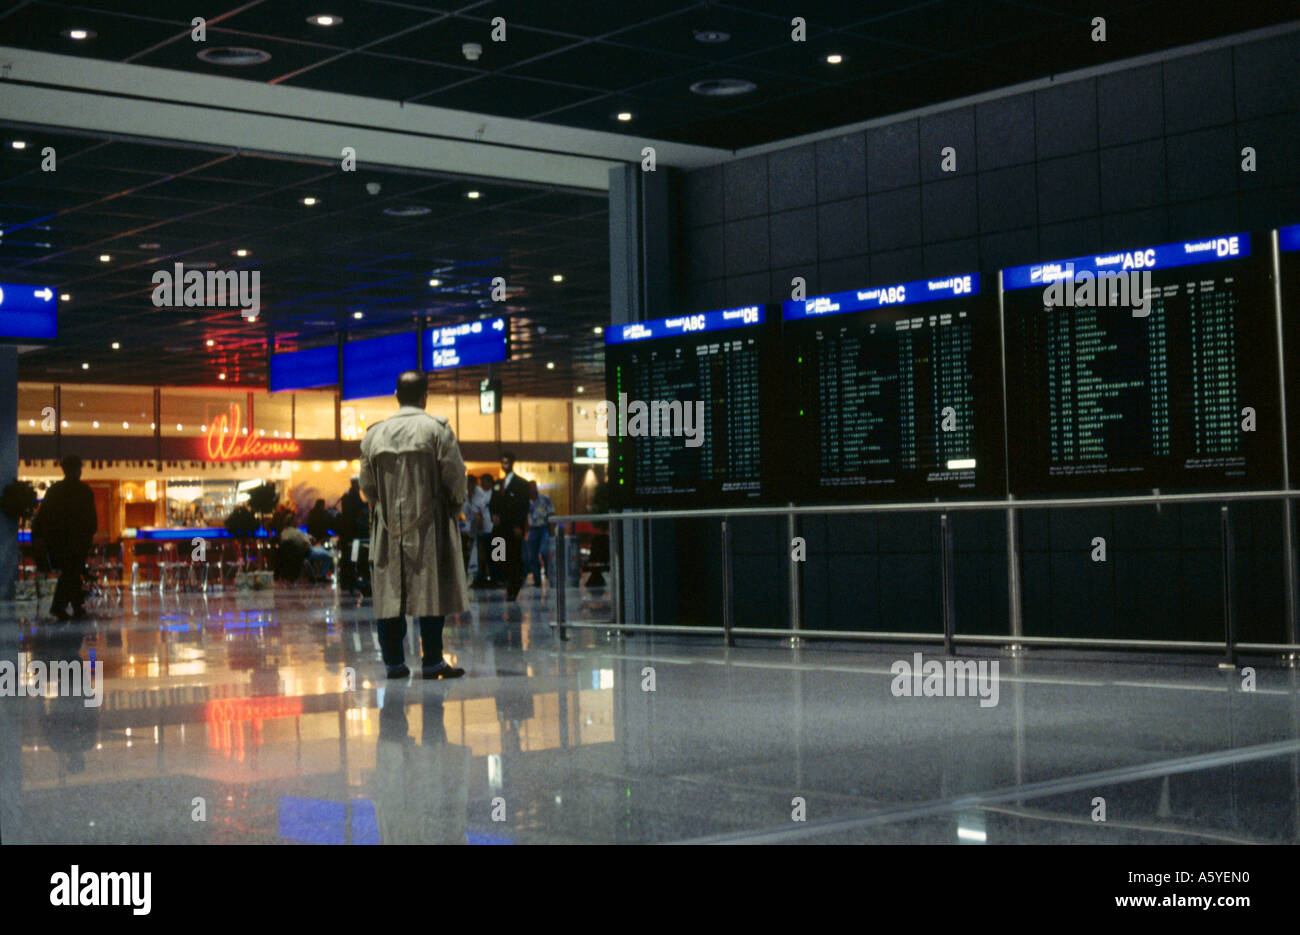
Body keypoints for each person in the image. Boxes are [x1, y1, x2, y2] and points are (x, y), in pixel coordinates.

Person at [360, 370, 468, 679]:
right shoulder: (437, 430)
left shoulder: (374, 434)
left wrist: (384, 506)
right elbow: (455, 477)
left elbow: (368, 487)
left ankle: (394, 663)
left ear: (396, 396)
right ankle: (432, 660)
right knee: (431, 591)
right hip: (429, 524)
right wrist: (453, 506)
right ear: (425, 396)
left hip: (387, 528)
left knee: (389, 594)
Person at [30, 455, 98, 621]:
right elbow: (91, 519)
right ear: (77, 470)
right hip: (77, 541)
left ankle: (76, 606)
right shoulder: (84, 491)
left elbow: (43, 517)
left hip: (57, 542)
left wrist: (42, 538)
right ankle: (59, 606)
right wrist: (88, 537)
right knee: (72, 572)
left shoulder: (54, 491)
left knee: (70, 572)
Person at [489, 451, 530, 601]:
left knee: (513, 557)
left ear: (512, 463)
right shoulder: (498, 484)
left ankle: (514, 585)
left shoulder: (521, 484)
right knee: (497, 556)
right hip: (499, 528)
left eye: (506, 462)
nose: (504, 465)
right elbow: (492, 503)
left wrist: (520, 525)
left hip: (513, 527)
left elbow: (523, 507)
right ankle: (505, 579)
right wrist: (493, 514)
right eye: (502, 462)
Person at [524, 480, 555, 587]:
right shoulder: (526, 502)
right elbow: (524, 517)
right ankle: (537, 580)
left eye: (534, 487)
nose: (532, 489)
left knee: (544, 551)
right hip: (533, 529)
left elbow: (551, 513)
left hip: (544, 528)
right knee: (532, 555)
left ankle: (548, 572)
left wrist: (552, 531)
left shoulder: (545, 499)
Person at [467, 474, 495, 589]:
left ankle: (496, 578)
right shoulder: (475, 495)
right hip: (480, 531)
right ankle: (482, 578)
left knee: (496, 556)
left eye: (484, 481)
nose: (482, 484)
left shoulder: (487, 495)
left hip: (492, 529)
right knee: (482, 556)